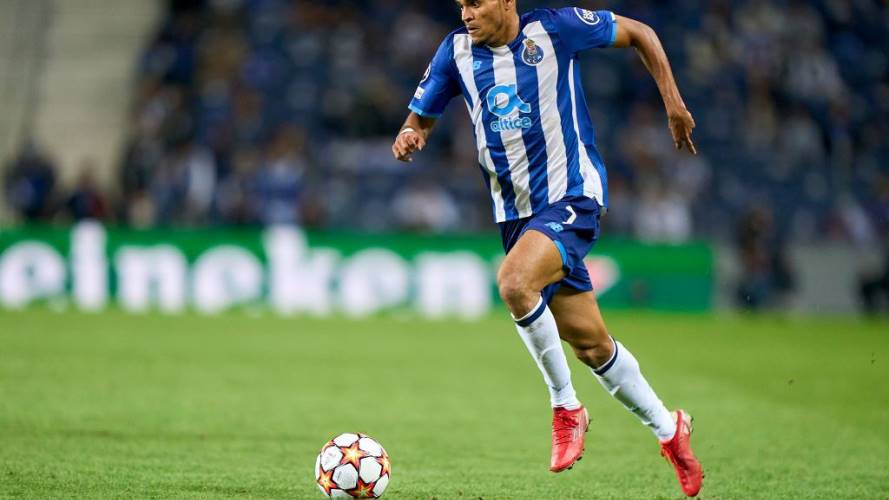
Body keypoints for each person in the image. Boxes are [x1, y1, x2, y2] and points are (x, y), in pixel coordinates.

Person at [391, 0, 702, 496]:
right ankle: (670, 430)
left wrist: (673, 102)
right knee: (592, 345)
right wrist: (410, 134)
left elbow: (642, 31)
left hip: (573, 195)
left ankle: (566, 407)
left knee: (514, 283)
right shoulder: (455, 53)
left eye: (477, 2)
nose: (467, 13)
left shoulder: (555, 29)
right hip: (516, 218)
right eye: (461, 4)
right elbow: (420, 117)